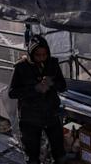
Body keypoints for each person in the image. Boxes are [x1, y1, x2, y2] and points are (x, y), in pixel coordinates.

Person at [8, 35, 67, 164]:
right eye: (38, 55)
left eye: (44, 55)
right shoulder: (21, 67)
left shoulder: (52, 63)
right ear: (31, 54)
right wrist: (35, 89)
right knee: (32, 156)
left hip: (51, 113)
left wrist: (52, 83)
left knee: (59, 152)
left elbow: (63, 86)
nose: (41, 58)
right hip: (30, 117)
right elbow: (12, 93)